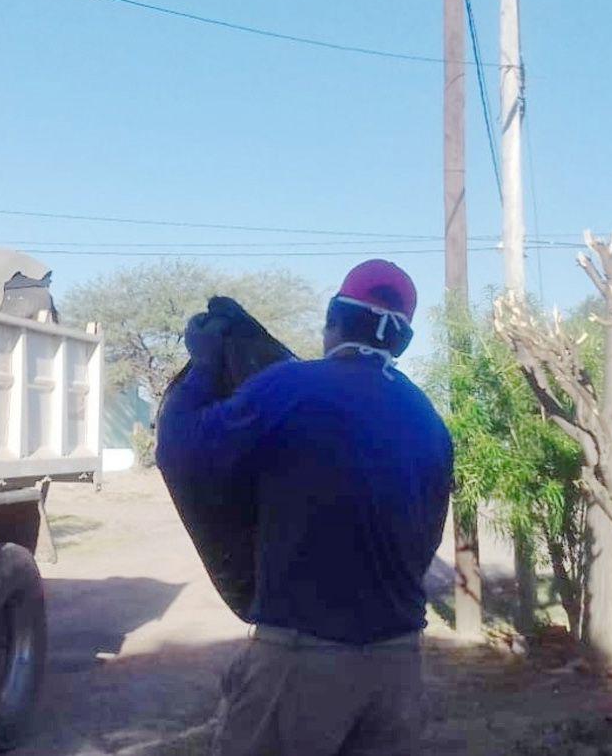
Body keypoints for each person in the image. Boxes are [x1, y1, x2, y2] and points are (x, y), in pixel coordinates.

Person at [156, 259, 454, 756]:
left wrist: (205, 364)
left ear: (333, 321)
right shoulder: (427, 420)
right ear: (401, 341)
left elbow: (179, 448)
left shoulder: (290, 390)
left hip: (303, 662)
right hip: (399, 668)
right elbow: (427, 537)